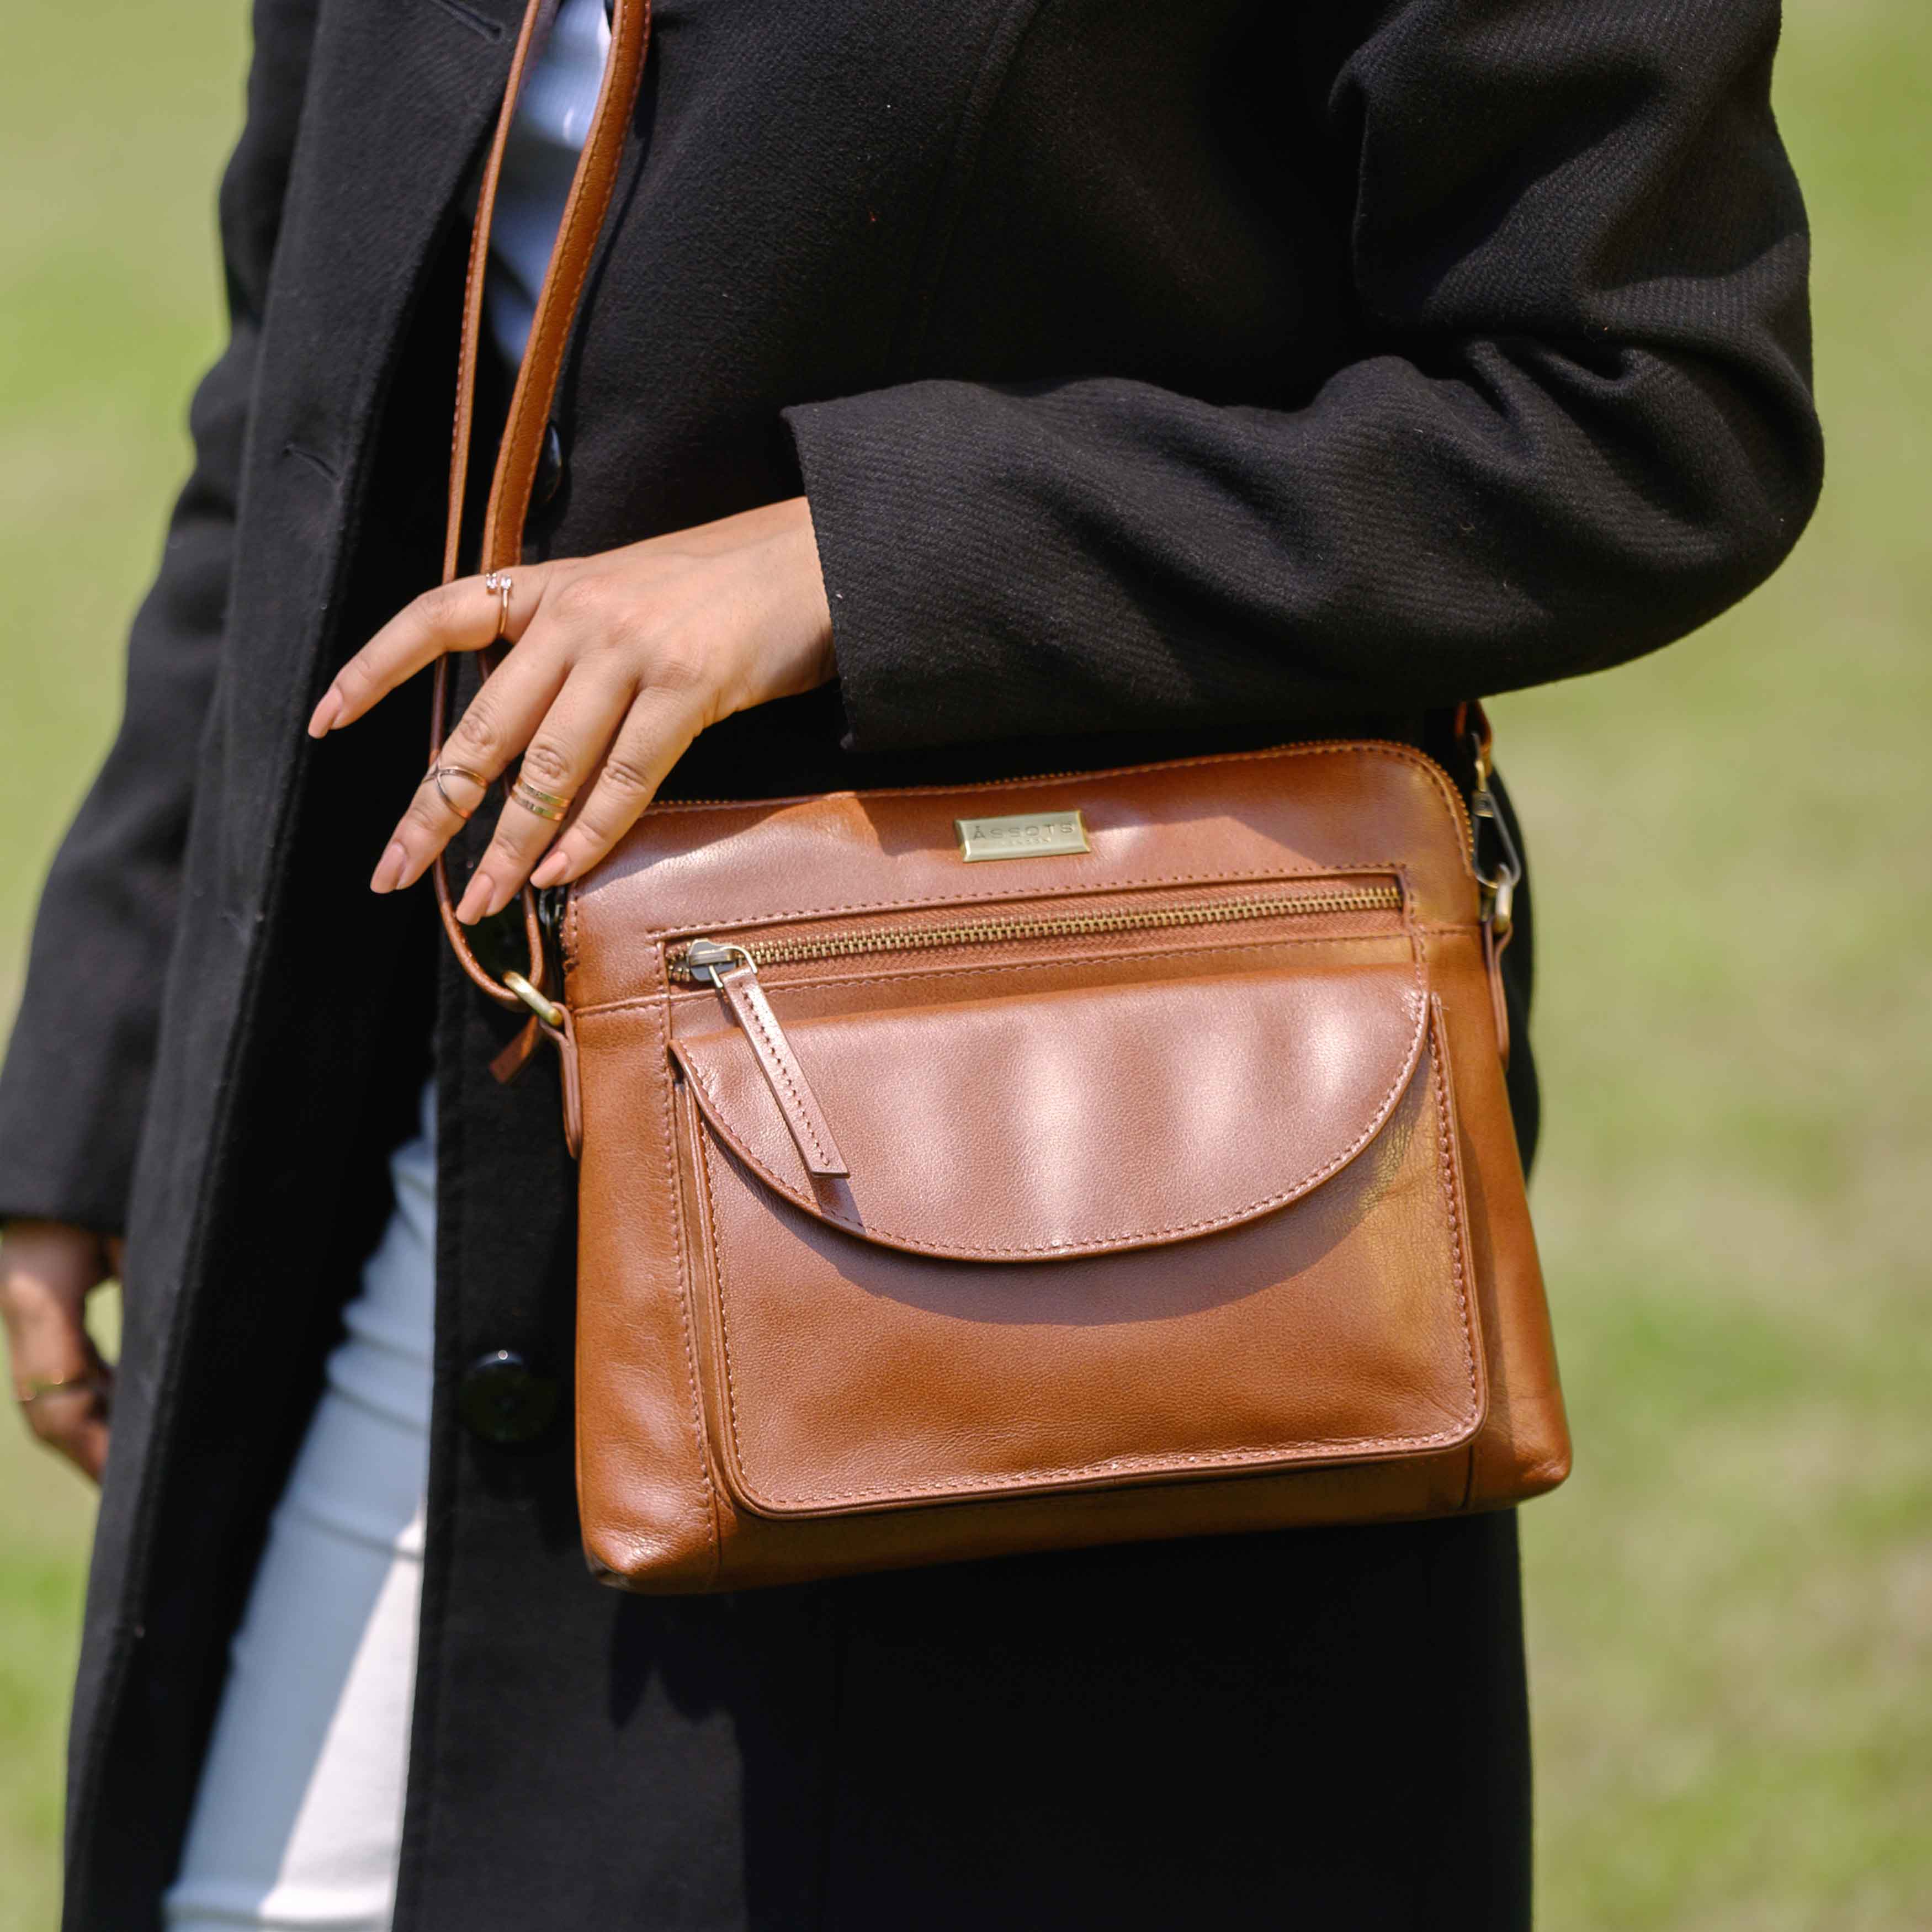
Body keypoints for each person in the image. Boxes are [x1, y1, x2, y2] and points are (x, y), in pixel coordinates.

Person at [0, 0, 1820, 1925]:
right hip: (432, 1158)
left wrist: (851, 563)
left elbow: (1645, 400)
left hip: (1057, 1254)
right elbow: (298, 382)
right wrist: (111, 1048)